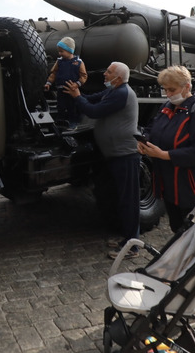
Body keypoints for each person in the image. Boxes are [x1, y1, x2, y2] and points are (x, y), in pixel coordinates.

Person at [136, 65, 195, 316]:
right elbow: (154, 129)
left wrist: (164, 155)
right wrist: (145, 141)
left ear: (187, 87)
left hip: (193, 187)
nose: (167, 93)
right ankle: (182, 283)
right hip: (171, 186)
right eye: (164, 89)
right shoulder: (169, 106)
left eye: (171, 89)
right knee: (179, 234)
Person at [63, 61, 140, 259]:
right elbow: (90, 99)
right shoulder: (112, 91)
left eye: (109, 71)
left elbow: (93, 111)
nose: (104, 74)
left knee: (128, 201)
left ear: (119, 77)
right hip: (115, 154)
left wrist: (78, 97)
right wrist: (76, 92)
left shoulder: (122, 93)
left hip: (125, 154)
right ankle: (126, 238)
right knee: (119, 198)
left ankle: (133, 246)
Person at [44, 37, 87, 128]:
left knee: (72, 106)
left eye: (62, 51)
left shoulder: (78, 62)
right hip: (61, 89)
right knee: (61, 106)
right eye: (59, 51)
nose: (59, 53)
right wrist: (49, 83)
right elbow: (54, 73)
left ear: (70, 51)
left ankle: (73, 121)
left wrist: (77, 84)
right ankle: (60, 120)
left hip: (72, 89)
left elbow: (84, 76)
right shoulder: (59, 62)